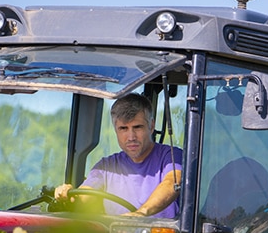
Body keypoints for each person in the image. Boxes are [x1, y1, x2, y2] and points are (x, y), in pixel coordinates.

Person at [54, 93, 183, 218]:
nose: (131, 137)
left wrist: (142, 213)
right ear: (116, 129)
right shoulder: (106, 167)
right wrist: (68, 196)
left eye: (137, 127)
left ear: (151, 126)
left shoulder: (170, 156)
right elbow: (84, 197)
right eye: (123, 129)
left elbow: (172, 182)